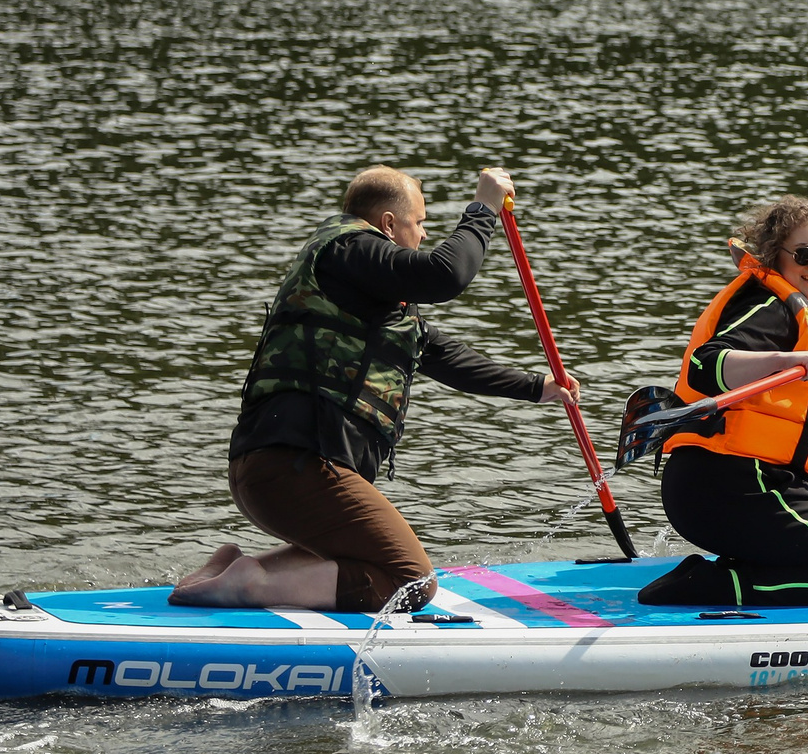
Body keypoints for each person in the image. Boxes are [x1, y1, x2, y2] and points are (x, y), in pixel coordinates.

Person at [175, 165, 578, 612]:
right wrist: (482, 208)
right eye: (420, 223)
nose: (424, 235)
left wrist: (537, 387)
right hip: (300, 468)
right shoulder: (352, 248)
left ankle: (233, 569)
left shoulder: (365, 290)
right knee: (411, 582)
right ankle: (250, 586)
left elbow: (441, 355)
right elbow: (445, 276)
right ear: (388, 223)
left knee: (362, 558)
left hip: (277, 470)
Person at [636, 197, 808, 608]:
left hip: (760, 482)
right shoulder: (770, 307)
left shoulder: (805, 314)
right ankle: (706, 584)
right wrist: (787, 360)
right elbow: (705, 365)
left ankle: (728, 575)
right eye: (804, 253)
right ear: (774, 254)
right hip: (725, 483)